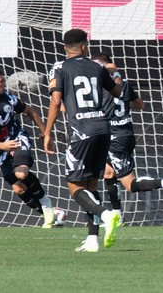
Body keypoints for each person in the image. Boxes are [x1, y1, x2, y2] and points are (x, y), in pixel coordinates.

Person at [44, 28, 124, 253]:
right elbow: (117, 92)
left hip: (81, 132)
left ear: (64, 48)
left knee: (74, 185)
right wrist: (115, 74)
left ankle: (106, 214)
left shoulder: (59, 67)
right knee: (90, 184)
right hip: (103, 129)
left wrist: (48, 132)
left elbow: (56, 101)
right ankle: (92, 239)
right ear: (84, 46)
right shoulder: (98, 67)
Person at [90, 51, 163, 222]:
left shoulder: (99, 83)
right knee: (108, 173)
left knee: (130, 185)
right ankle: (117, 216)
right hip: (125, 133)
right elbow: (140, 104)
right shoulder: (124, 83)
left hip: (114, 137)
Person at [0, 66, 56, 228]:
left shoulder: (9, 99)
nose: (5, 84)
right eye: (1, 81)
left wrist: (45, 133)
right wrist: (2, 146)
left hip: (18, 139)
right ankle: (51, 216)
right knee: (18, 189)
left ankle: (45, 201)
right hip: (2, 148)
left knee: (21, 174)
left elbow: (30, 111)